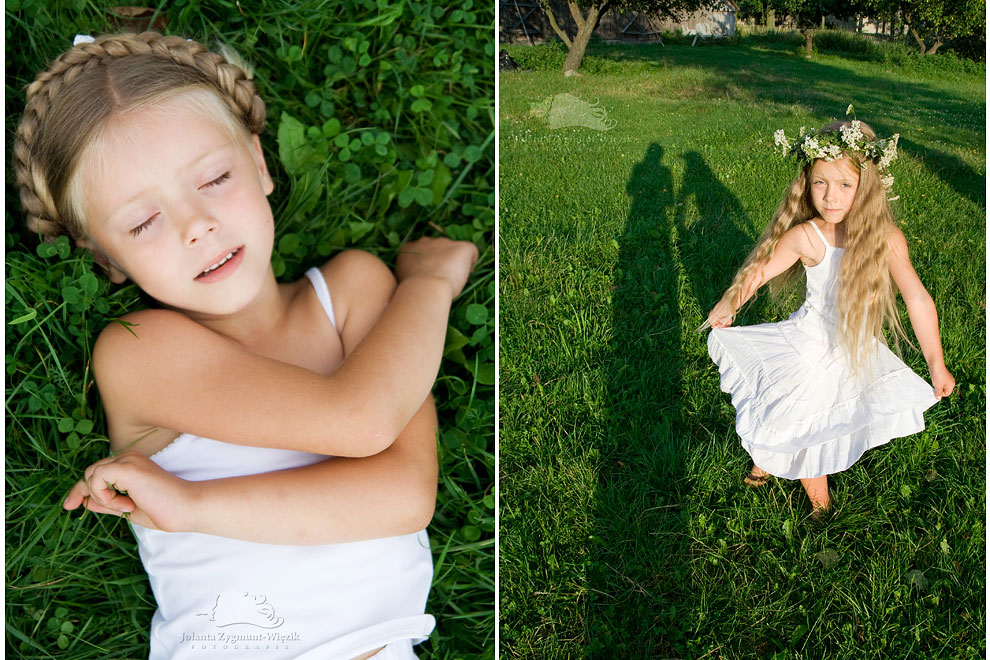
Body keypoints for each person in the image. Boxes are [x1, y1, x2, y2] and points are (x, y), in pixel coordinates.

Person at [14, 32, 478, 659]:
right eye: (143, 222)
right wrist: (428, 284)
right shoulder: (140, 352)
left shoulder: (351, 289)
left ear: (259, 164)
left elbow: (405, 495)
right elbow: (364, 419)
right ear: (104, 258)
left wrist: (193, 505)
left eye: (213, 178)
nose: (196, 227)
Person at [703, 116, 954, 519]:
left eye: (844, 185)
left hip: (851, 352)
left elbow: (918, 300)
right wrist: (731, 302)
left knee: (800, 420)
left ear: (867, 186)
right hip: (809, 348)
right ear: (807, 181)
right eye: (820, 183)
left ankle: (766, 461)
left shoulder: (887, 240)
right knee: (801, 425)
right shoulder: (807, 236)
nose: (830, 197)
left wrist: (935, 363)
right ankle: (820, 507)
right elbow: (760, 270)